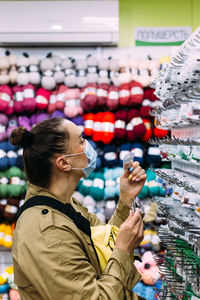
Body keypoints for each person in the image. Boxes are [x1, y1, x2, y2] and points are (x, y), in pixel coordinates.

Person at [11, 117, 147, 300]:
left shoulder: (64, 205)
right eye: (81, 141)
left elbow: (101, 246)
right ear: (64, 163)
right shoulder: (48, 232)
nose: (88, 146)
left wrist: (125, 200)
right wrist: (123, 249)